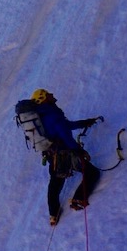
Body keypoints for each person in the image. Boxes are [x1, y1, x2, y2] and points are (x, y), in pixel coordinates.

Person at [22, 89, 103, 225]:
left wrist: (84, 122)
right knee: (91, 173)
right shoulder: (52, 114)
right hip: (65, 153)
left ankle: (53, 214)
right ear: (43, 99)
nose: (52, 95)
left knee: (55, 182)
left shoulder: (41, 116)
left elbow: (66, 126)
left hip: (51, 155)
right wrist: (80, 151)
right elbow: (65, 134)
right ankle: (78, 198)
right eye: (48, 95)